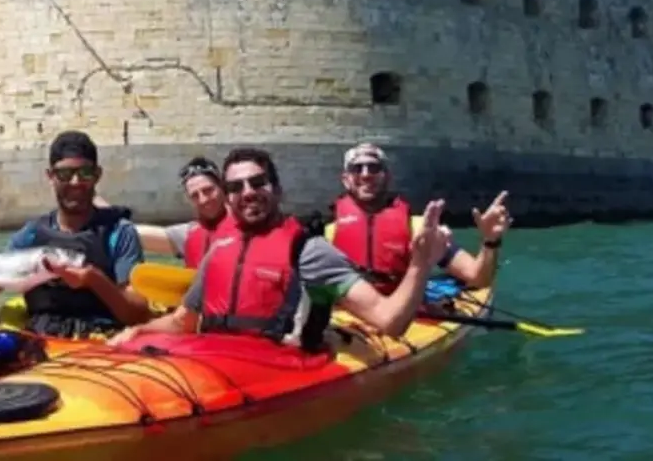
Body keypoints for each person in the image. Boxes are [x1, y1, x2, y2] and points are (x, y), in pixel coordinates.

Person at [106, 147, 454, 348]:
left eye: (258, 183)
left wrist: (420, 265)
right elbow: (184, 322)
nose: (248, 192)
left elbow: (390, 321)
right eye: (237, 187)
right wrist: (140, 330)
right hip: (212, 359)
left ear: (277, 189)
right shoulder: (219, 251)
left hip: (283, 370)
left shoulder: (310, 251)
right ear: (229, 197)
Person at [0, 130, 153, 338]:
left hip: (102, 340)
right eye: (64, 174)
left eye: (85, 173)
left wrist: (94, 280)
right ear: (50, 177)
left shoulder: (120, 232)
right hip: (43, 340)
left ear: (97, 175)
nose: (75, 182)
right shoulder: (30, 236)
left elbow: (140, 315)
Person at [327, 143, 511, 292]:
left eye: (374, 168)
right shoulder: (327, 234)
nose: (366, 174)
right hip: (346, 319)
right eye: (357, 169)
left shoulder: (418, 228)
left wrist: (490, 241)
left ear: (387, 177)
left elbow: (478, 278)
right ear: (345, 179)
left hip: (402, 315)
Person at [103, 157, 230, 268]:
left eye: (208, 190)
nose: (203, 200)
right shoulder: (189, 235)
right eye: (195, 196)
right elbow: (130, 232)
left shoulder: (246, 225)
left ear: (222, 187)